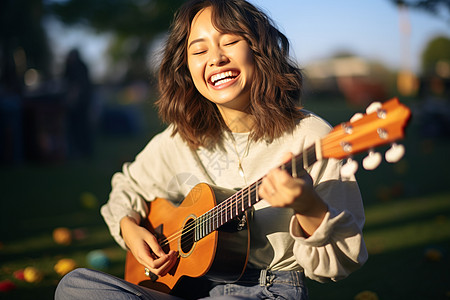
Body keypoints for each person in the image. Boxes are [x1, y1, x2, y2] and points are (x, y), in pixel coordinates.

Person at [55, 0, 367, 299]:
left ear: (260, 49)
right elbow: (127, 186)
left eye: (230, 41)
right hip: (184, 286)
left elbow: (338, 266)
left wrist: (308, 206)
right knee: (75, 286)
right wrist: (129, 228)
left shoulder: (313, 139)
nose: (215, 58)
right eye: (199, 49)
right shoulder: (181, 138)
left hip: (269, 289)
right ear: (187, 68)